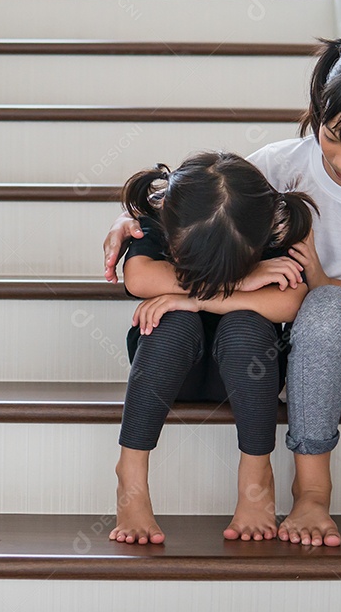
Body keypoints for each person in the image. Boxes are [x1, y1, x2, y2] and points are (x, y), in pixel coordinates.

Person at [103, 30, 341, 551]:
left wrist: (324, 282)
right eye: (333, 135)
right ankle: (311, 494)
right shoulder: (281, 165)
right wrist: (136, 221)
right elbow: (206, 206)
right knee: (322, 310)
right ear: (321, 106)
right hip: (310, 353)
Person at [109, 151, 315, 545]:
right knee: (173, 321)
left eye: (230, 268)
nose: (209, 276)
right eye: (190, 264)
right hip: (173, 373)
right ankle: (130, 475)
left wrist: (193, 297)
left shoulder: (270, 228)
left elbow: (289, 302)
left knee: (246, 324)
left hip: (246, 375)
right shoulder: (162, 217)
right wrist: (237, 284)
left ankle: (257, 474)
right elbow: (139, 278)